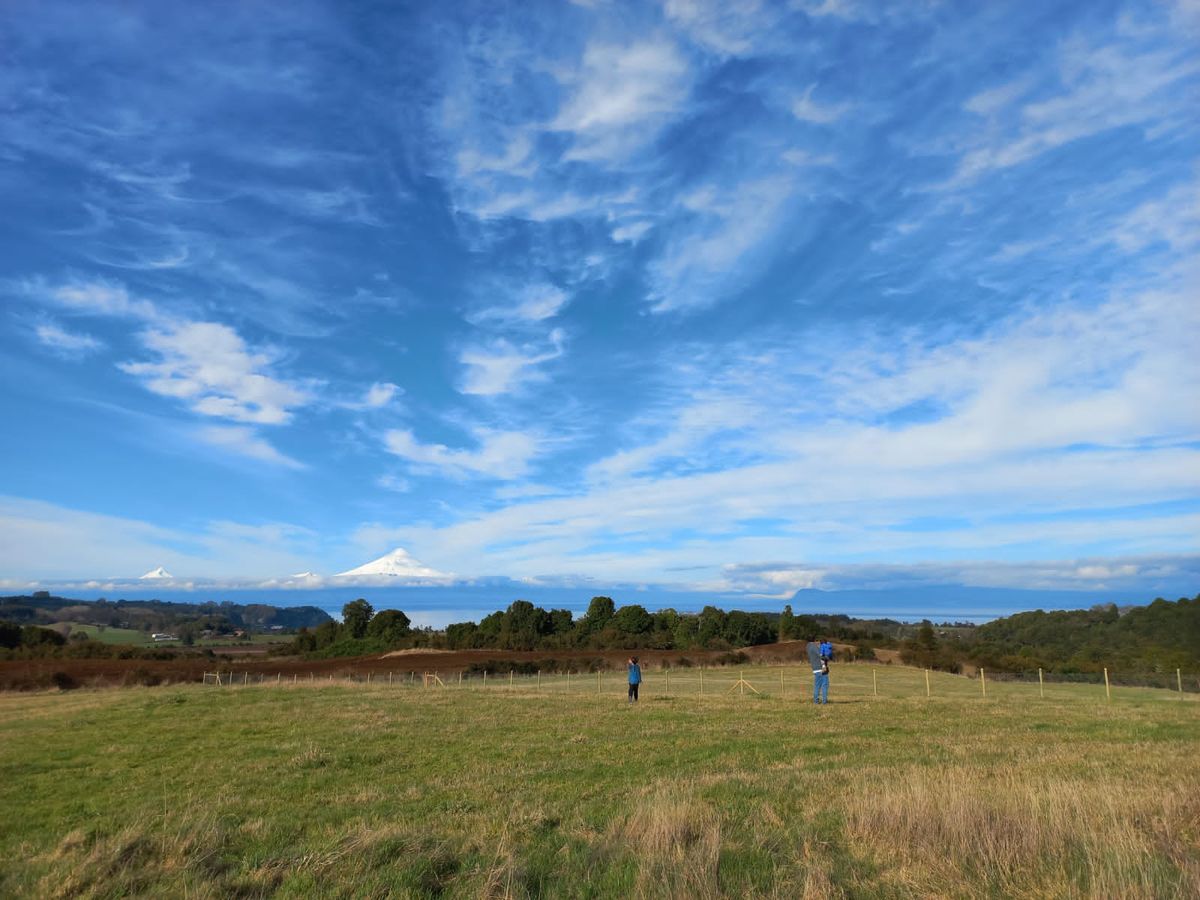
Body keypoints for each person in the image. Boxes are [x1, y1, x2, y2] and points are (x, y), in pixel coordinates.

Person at [807, 639, 829, 704]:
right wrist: (827, 657)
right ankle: (824, 702)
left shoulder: (808, 647)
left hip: (815, 669)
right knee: (824, 685)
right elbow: (821, 656)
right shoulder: (814, 647)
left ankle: (816, 701)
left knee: (817, 686)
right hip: (821, 669)